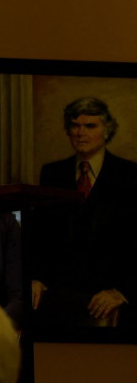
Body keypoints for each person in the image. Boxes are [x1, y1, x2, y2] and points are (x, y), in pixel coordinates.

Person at [33, 97, 137, 327]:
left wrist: (123, 292)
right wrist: (36, 278)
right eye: (74, 125)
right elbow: (42, 233)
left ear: (107, 130)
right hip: (61, 293)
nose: (81, 133)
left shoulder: (131, 175)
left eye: (90, 126)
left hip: (111, 293)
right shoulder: (52, 173)